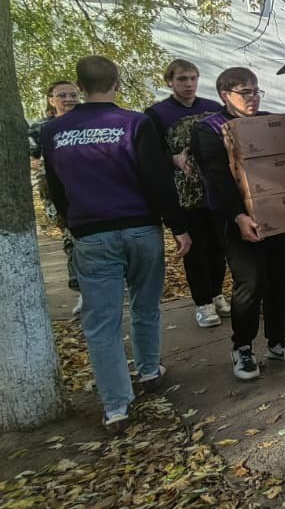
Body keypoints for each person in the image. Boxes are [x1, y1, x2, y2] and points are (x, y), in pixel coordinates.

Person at [41, 56, 191, 434]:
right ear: (117, 83)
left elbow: (55, 186)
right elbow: (157, 180)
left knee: (101, 321)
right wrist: (178, 226)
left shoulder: (54, 131)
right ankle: (149, 370)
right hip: (141, 230)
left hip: (91, 234)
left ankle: (116, 406)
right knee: (145, 304)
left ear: (80, 86)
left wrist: (71, 221)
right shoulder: (134, 123)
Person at [192, 67, 285, 381]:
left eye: (256, 91)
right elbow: (216, 175)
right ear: (224, 94)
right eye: (246, 92)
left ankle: (277, 341)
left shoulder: (269, 122)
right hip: (236, 219)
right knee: (252, 282)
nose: (253, 98)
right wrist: (238, 215)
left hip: (277, 214)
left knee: (279, 279)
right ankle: (242, 347)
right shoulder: (210, 128)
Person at [144, 59, 229, 329]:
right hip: (184, 194)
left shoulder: (213, 108)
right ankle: (202, 303)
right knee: (195, 249)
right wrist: (174, 161)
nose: (189, 84)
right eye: (182, 79)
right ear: (170, 81)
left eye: (193, 78)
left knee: (219, 247)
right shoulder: (155, 114)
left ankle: (216, 294)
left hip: (215, 188)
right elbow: (153, 156)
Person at [29, 81, 82, 313]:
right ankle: (82, 292)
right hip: (57, 194)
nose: (69, 99)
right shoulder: (40, 128)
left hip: (90, 191)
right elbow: (33, 160)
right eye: (62, 95)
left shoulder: (87, 122)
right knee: (72, 240)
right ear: (51, 99)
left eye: (73, 94)